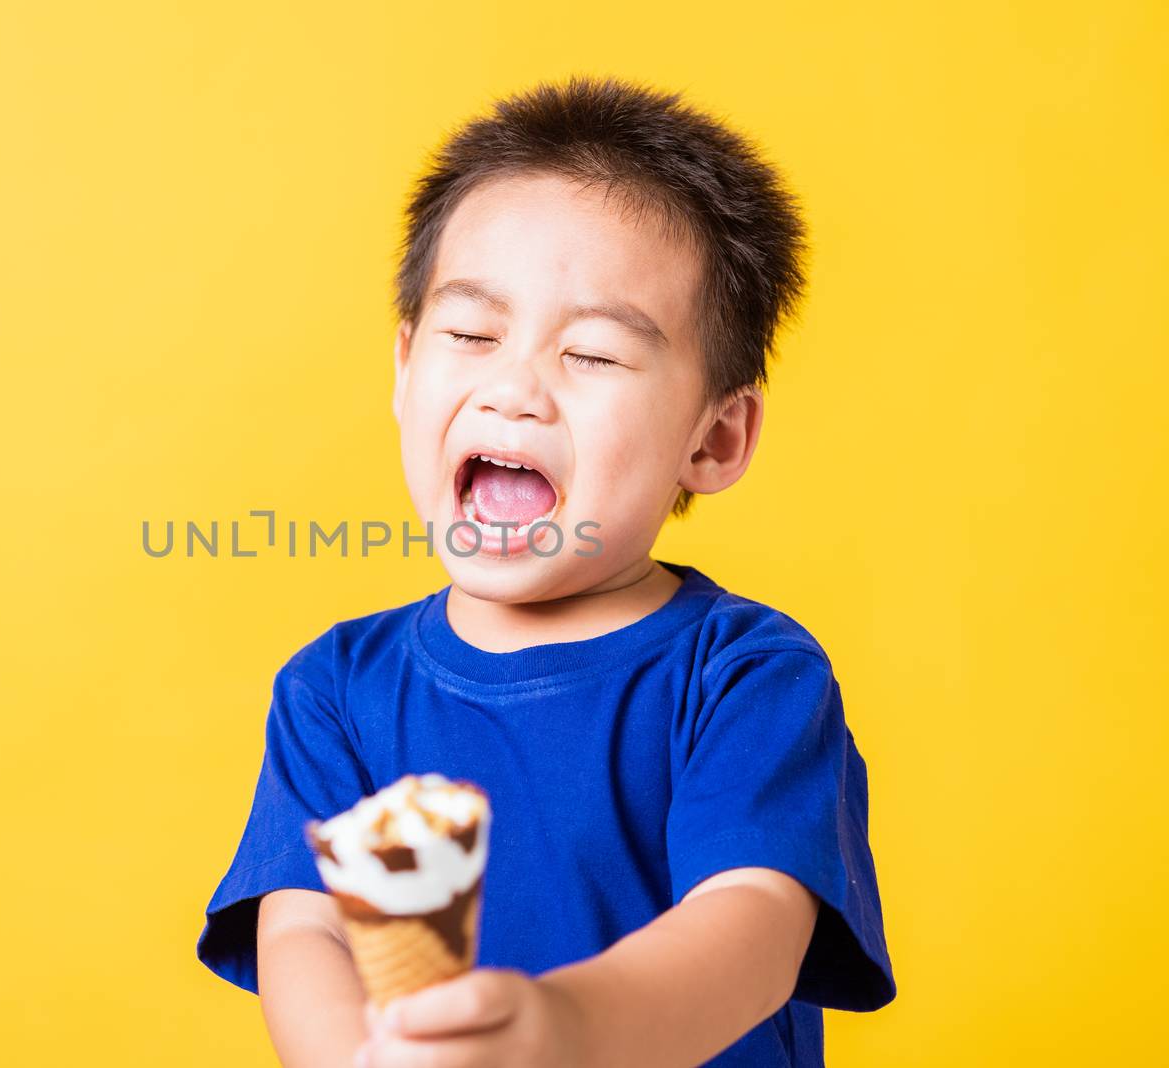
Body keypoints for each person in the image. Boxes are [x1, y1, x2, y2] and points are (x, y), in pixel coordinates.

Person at [196, 74, 895, 1067]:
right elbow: (305, 930)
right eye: (472, 335)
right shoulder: (337, 690)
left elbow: (753, 928)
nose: (513, 388)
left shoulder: (742, 675)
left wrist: (561, 1032)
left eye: (595, 354)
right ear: (404, 369)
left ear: (715, 436)